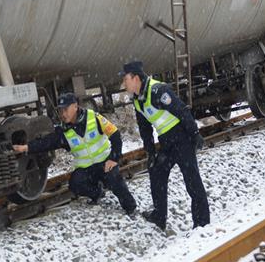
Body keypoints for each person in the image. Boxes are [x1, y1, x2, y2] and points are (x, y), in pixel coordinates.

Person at [119, 61, 210, 231]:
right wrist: (151, 152)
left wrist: (194, 134)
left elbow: (181, 110)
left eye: (125, 79)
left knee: (192, 180)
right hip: (167, 142)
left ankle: (202, 222)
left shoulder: (158, 91)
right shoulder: (138, 100)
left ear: (136, 78)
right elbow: (144, 127)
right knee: (156, 171)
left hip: (182, 138)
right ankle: (159, 216)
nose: (124, 84)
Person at [13, 92, 137, 216]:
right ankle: (97, 193)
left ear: (75, 106)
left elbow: (115, 135)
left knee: (115, 180)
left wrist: (114, 159)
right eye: (60, 110)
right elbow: (47, 142)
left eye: (66, 109)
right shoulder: (63, 131)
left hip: (105, 163)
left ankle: (130, 207)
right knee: (75, 184)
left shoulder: (94, 117)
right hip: (86, 169)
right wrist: (27, 147)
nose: (63, 114)